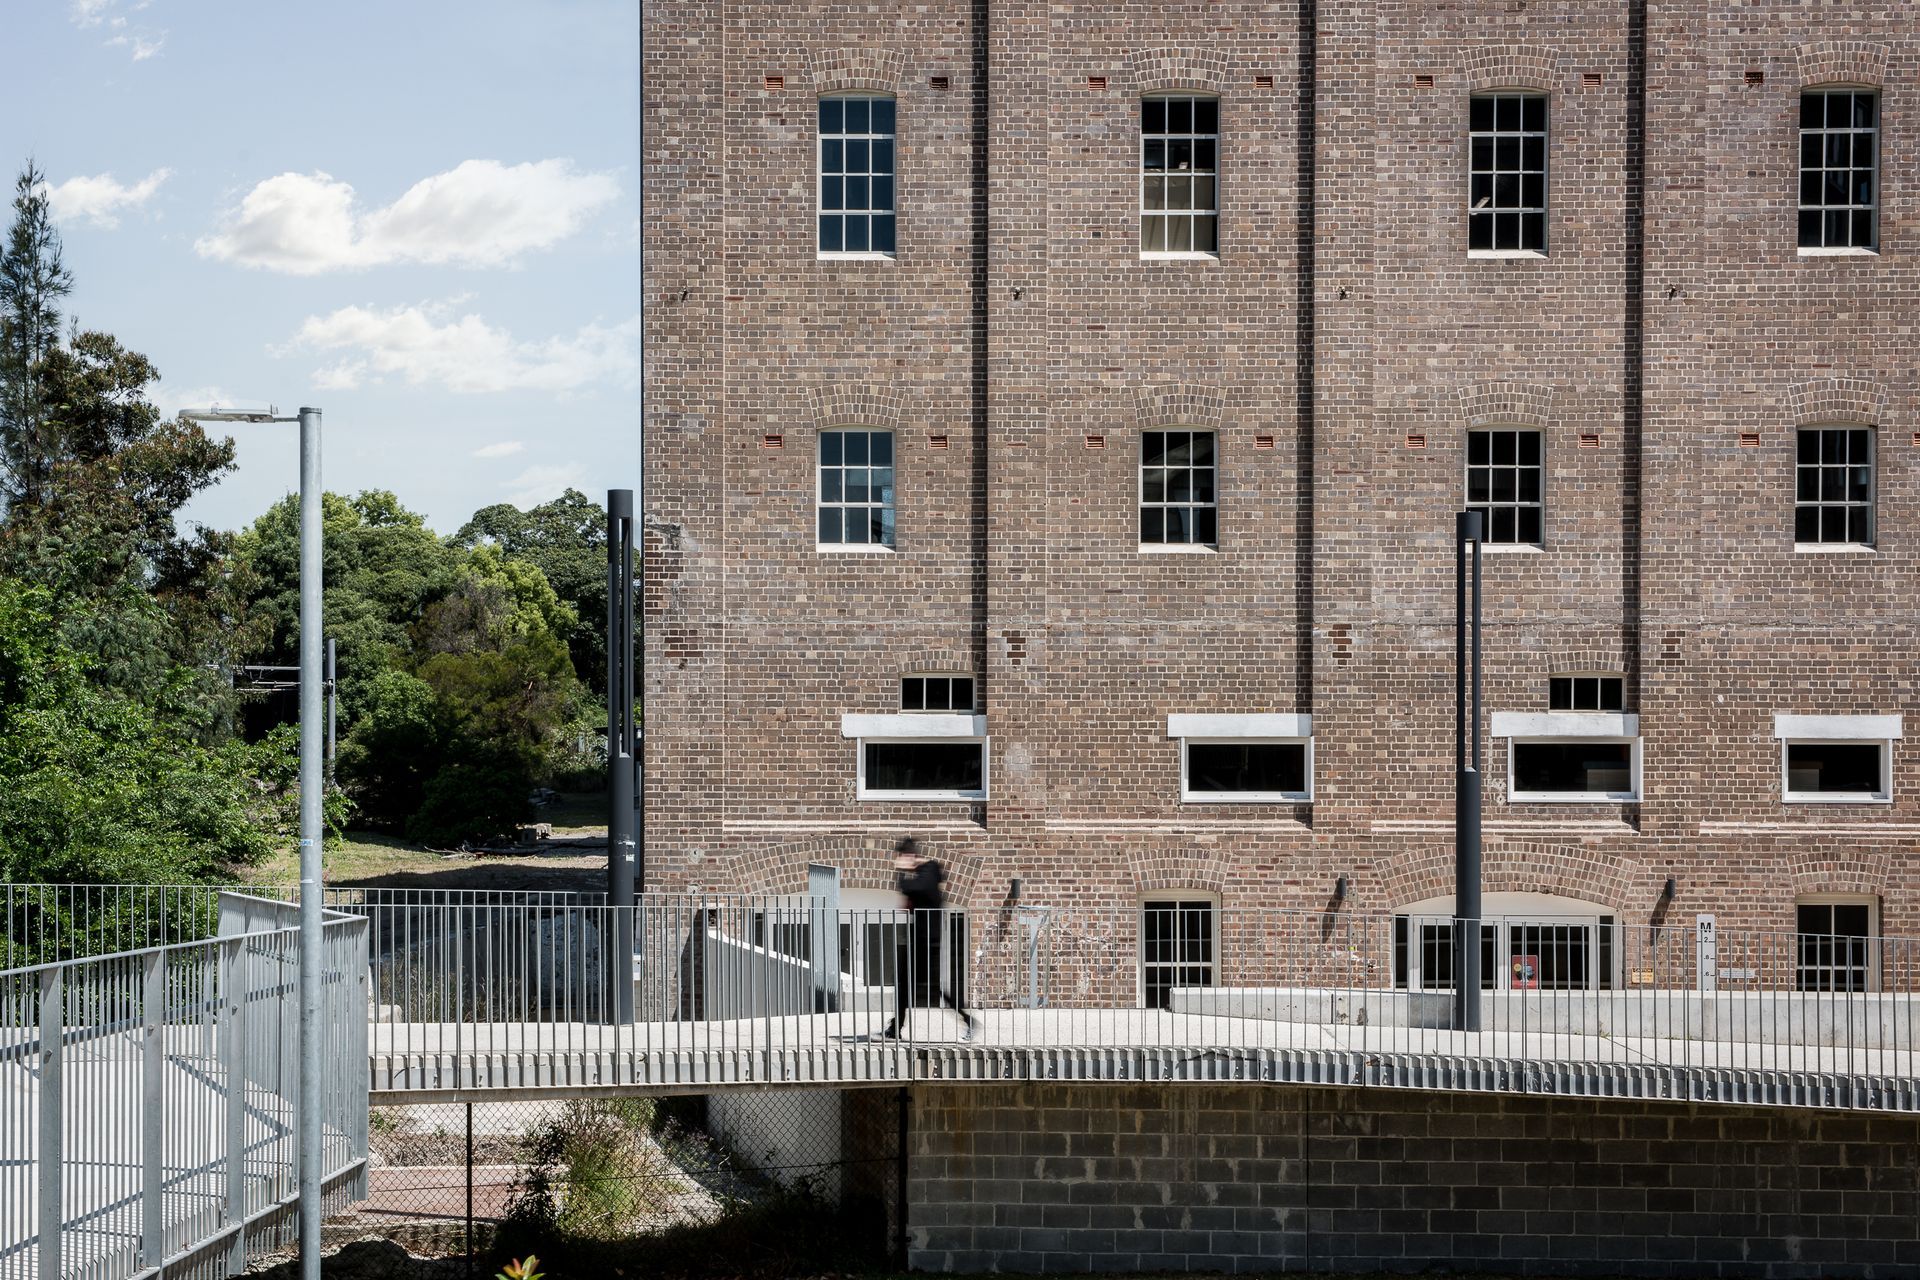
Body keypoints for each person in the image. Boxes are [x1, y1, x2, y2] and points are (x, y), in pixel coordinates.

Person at [878, 838, 975, 1041]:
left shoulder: (929, 871)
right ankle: (895, 1028)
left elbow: (909, 887)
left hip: (929, 943)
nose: (899, 861)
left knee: (934, 988)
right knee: (903, 984)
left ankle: (968, 1021)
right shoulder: (923, 874)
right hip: (918, 940)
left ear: (910, 855)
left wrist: (901, 871)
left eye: (901, 857)